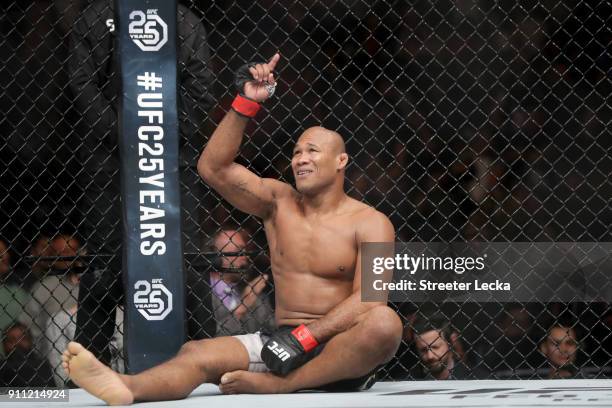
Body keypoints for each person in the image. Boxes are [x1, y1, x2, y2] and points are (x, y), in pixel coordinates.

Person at [61, 53, 402, 404]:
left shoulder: (371, 222)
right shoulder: (277, 202)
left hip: (342, 349)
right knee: (196, 354)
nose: (300, 159)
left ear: (340, 161)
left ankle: (282, 385)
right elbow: (213, 168)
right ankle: (127, 387)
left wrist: (304, 338)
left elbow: (370, 298)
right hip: (280, 343)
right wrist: (246, 103)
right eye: (297, 152)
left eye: (312, 151)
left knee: (384, 323)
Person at [68, 0, 216, 364]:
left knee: (187, 260)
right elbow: (81, 82)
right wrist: (123, 133)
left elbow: (202, 86)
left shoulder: (182, 19)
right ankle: (89, 365)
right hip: (110, 161)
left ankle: (209, 359)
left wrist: (164, 133)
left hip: (172, 159)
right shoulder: (94, 18)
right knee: (105, 261)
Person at [207, 228, 273, 335]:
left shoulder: (255, 294)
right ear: (215, 257)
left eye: (245, 251)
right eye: (239, 251)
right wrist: (244, 305)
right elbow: (211, 336)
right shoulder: (201, 293)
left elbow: (274, 329)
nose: (245, 257)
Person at [412, 315, 471, 380]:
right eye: (423, 350)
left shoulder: (475, 380)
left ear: (450, 344)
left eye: (435, 347)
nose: (430, 356)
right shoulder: (410, 381)